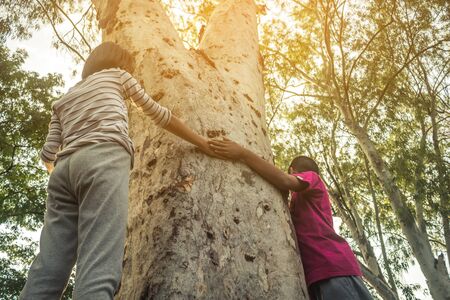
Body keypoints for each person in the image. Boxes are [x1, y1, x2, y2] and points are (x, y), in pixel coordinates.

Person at [20, 42, 216, 300]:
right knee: (98, 262)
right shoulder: (118, 76)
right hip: (104, 158)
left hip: (63, 173)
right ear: (122, 64)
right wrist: (202, 142)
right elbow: (159, 115)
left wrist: (66, 174)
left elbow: (48, 154)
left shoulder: (64, 99)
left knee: (50, 264)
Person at [208, 138, 373, 300]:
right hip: (316, 275)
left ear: (293, 170)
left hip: (333, 267)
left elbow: (284, 180)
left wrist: (243, 153)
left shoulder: (313, 177)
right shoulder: (298, 202)